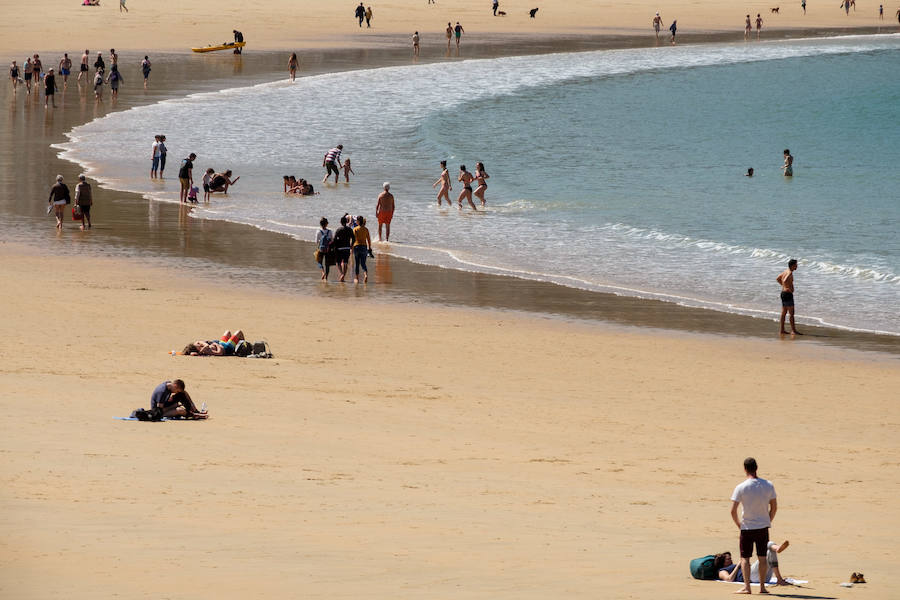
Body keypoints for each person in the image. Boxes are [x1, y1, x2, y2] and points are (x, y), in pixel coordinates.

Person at [730, 457, 777, 595]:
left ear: (745, 469)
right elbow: (774, 507)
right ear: (757, 468)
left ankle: (747, 587)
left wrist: (739, 524)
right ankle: (762, 587)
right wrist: (768, 520)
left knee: (745, 558)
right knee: (762, 557)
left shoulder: (741, 487)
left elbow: (733, 510)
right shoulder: (768, 485)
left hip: (747, 527)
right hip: (763, 526)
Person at [716, 542, 790, 586]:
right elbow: (729, 579)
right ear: (723, 563)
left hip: (763, 578)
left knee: (770, 552)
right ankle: (779, 579)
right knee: (767, 544)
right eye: (728, 559)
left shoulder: (730, 566)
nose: (731, 560)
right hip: (751, 577)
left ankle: (779, 579)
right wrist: (738, 565)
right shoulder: (722, 571)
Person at [776, 259, 801, 336]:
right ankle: (793, 330)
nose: (797, 266)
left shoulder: (785, 271)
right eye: (796, 265)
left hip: (783, 293)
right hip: (787, 294)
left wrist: (783, 286)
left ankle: (782, 330)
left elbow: (778, 279)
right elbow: (784, 279)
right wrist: (787, 288)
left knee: (784, 313)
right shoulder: (789, 273)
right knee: (791, 313)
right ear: (792, 265)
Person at [333, 215, 356, 282]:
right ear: (346, 222)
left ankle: (342, 274)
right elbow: (354, 238)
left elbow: (334, 239)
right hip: (347, 248)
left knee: (338, 262)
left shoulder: (339, 230)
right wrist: (351, 246)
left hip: (339, 248)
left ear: (340, 222)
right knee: (345, 262)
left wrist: (335, 247)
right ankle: (343, 276)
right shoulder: (350, 229)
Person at [352, 215, 373, 283]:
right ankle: (365, 275)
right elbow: (369, 240)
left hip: (357, 247)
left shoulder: (355, 229)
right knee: (363, 263)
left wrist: (351, 248)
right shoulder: (366, 229)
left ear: (358, 221)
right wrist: (369, 248)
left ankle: (357, 278)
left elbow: (353, 240)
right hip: (364, 247)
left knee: (357, 263)